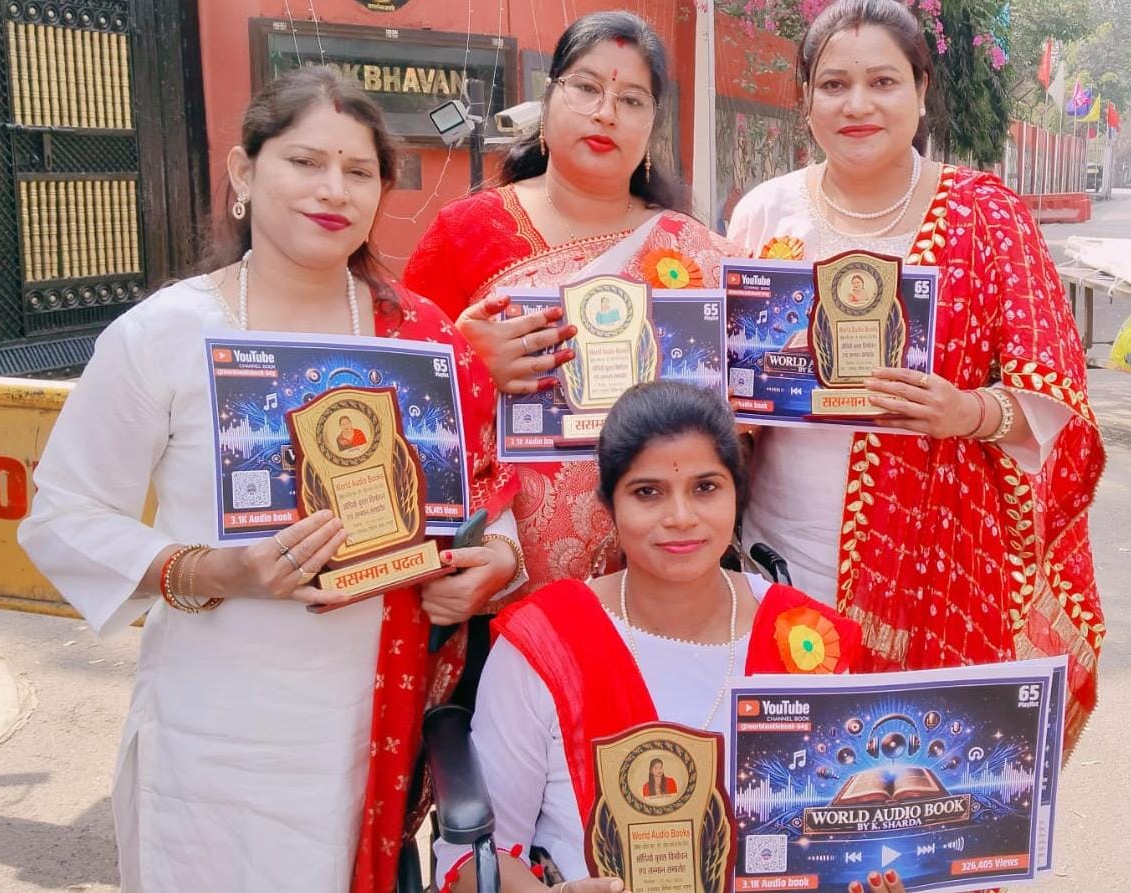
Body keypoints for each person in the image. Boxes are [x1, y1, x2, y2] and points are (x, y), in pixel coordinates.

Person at [18, 66, 520, 893]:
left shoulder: (419, 336)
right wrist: (213, 570)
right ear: (244, 172)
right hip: (213, 734)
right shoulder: (167, 333)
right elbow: (65, 514)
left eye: (359, 171)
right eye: (305, 162)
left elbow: (485, 486)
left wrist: (493, 560)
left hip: (367, 726)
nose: (334, 190)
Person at [727, 0, 1103, 753]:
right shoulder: (766, 213)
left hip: (942, 564)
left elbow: (1054, 394)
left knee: (918, 777)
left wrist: (969, 411)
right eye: (834, 84)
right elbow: (723, 371)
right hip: (776, 550)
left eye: (882, 82)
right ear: (806, 98)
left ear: (921, 91)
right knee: (796, 774)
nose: (857, 105)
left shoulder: (986, 217)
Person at [433, 382, 863, 890]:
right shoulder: (547, 641)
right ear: (609, 505)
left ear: (737, 493)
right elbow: (474, 863)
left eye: (706, 487)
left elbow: (845, 842)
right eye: (647, 492)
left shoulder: (807, 638)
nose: (681, 518)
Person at [403, 11, 738, 598]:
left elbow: (746, 426)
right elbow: (398, 396)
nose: (606, 113)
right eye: (586, 87)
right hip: (500, 576)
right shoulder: (469, 231)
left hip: (667, 572)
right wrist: (468, 364)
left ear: (652, 123)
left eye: (631, 100)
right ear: (548, 98)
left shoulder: (700, 254)